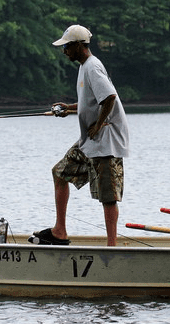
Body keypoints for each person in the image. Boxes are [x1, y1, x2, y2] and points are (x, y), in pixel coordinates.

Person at [31, 24, 130, 246]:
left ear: (78, 46)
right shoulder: (84, 67)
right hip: (90, 142)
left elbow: (110, 97)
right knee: (59, 173)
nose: (64, 50)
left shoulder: (93, 67)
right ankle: (59, 231)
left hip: (106, 142)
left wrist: (99, 124)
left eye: (67, 46)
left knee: (108, 196)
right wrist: (69, 108)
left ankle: (111, 246)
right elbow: (92, 102)